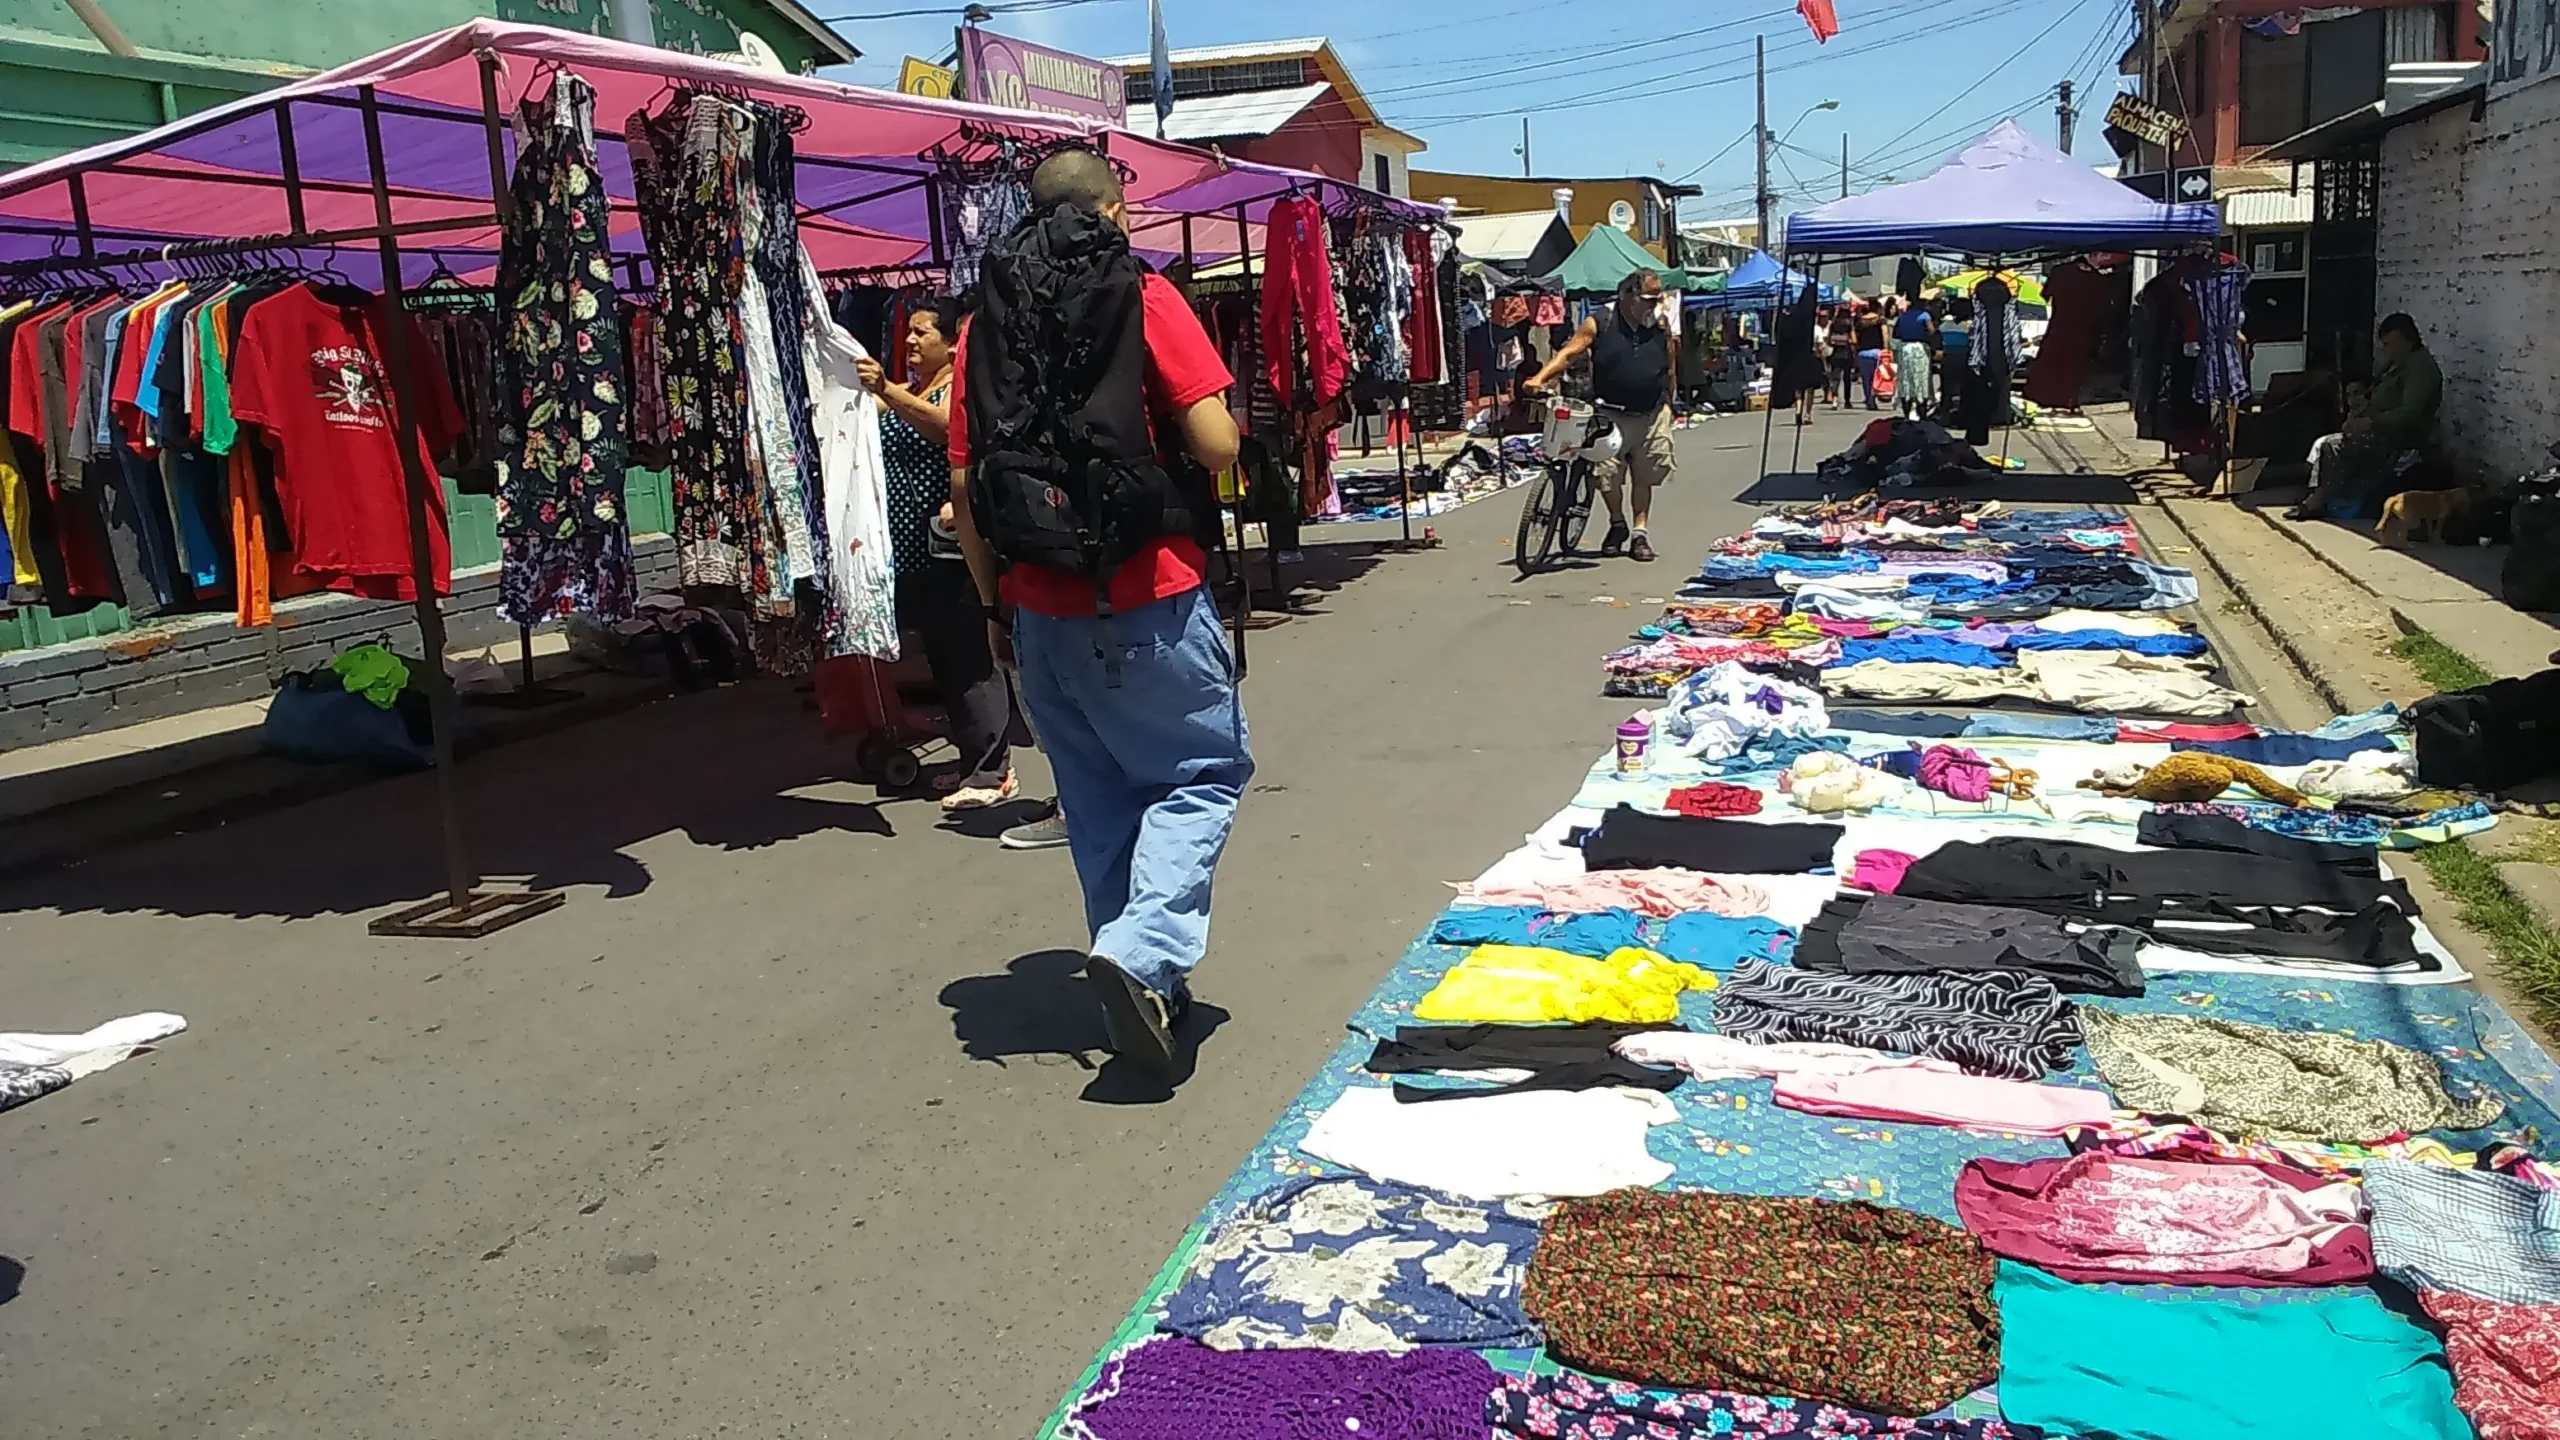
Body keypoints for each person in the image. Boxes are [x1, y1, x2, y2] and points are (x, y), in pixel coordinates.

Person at [948, 148, 1251, 1075]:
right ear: (1117, 211)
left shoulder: (980, 326)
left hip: (1038, 604)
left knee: (1098, 801)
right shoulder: (1148, 296)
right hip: (1147, 589)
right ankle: (1138, 953)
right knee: (1201, 775)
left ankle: (1142, 978)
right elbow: (1214, 444)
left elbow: (965, 484)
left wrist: (994, 602)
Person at [859, 296, 1020, 811]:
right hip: (917, 551)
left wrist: (886, 389)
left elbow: (947, 428)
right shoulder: (911, 390)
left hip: (955, 548)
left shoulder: (956, 390)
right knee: (947, 661)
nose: (909, 342)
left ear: (952, 345)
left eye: (923, 334)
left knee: (971, 657)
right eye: (908, 333)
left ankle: (995, 769)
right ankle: (975, 758)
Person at [1522, 270, 1677, 563]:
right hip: (1611, 413)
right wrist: (1539, 378)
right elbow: (1568, 353)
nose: (1655, 304)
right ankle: (1617, 523)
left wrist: (1671, 398)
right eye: (1649, 298)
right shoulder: (1601, 321)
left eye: (1658, 298)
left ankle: (1639, 534)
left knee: (1644, 475)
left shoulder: (1659, 323)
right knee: (1607, 476)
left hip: (1652, 412)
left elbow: (1669, 360)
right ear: (1628, 295)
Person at [2287, 314, 2444, 521]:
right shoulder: (2398, 363)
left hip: (2400, 435)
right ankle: (2321, 495)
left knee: (2333, 446)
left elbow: (2409, 413)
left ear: (2407, 341)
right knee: (2328, 441)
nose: (2386, 350)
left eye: (2390, 344)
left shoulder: (2420, 368)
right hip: (2380, 428)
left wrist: (2372, 421)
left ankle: (2318, 500)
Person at [1892, 297, 1937, 421]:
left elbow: (1896, 333)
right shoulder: (1924, 315)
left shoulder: (1903, 316)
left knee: (1905, 380)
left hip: (1905, 348)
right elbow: (1932, 331)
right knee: (1921, 381)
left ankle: (1906, 413)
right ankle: (1921, 413)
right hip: (1920, 349)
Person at [1938, 297, 1972, 414]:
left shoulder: (1944, 325)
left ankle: (1945, 413)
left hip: (1948, 358)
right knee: (1964, 388)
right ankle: (1962, 413)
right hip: (1964, 358)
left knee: (1947, 389)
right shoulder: (1970, 327)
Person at [1853, 301, 1889, 410]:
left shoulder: (1860, 321)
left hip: (1863, 352)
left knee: (1866, 379)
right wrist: (1886, 348)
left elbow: (1855, 338)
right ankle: (1878, 395)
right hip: (1877, 352)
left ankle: (1869, 400)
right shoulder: (1880, 319)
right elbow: (1885, 333)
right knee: (1877, 377)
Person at [1824, 305, 1857, 407]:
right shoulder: (1849, 324)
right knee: (1847, 378)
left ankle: (1835, 398)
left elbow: (1828, 340)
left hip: (1835, 353)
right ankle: (1847, 401)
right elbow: (1854, 340)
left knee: (1835, 378)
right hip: (1846, 353)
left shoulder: (1833, 324)